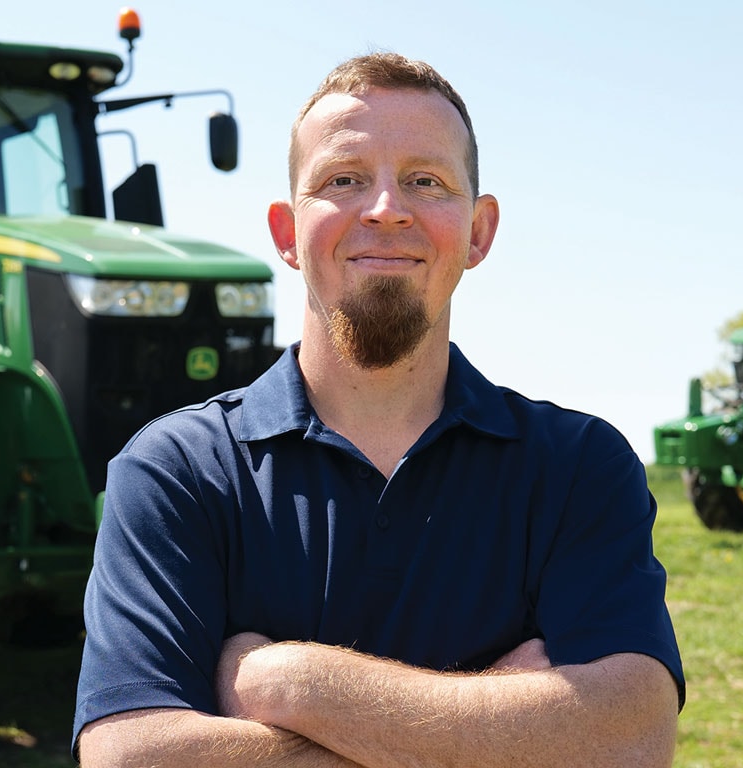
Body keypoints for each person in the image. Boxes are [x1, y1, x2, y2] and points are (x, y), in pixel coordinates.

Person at [74, 51, 684, 767]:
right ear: (285, 233)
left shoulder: (578, 466)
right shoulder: (176, 471)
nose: (387, 208)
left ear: (479, 232)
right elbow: (130, 757)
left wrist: (290, 683)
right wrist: (509, 728)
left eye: (426, 181)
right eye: (343, 180)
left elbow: (633, 738)